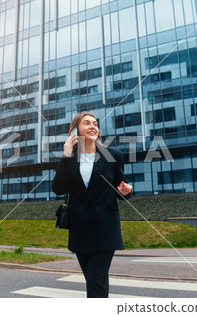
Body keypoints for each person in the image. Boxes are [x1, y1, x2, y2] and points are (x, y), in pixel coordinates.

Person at [52, 112, 132, 298]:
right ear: (75, 130)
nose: (92, 126)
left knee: (96, 281)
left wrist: (125, 191)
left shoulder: (113, 155)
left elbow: (121, 188)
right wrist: (65, 155)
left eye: (95, 123)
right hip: (80, 229)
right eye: (86, 123)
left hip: (105, 228)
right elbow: (58, 189)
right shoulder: (70, 158)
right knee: (93, 281)